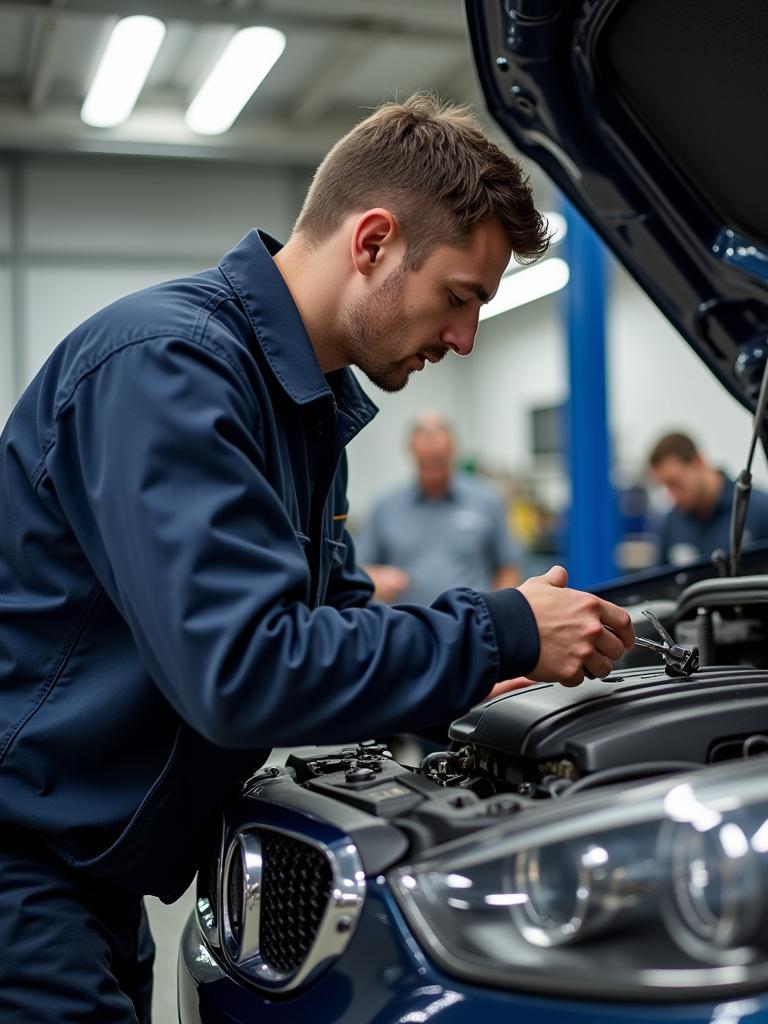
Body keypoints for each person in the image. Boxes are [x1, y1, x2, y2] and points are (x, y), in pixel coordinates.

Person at [0, 94, 634, 1023]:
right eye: (460, 297)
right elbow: (244, 670)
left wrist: (482, 676)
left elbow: (333, 622)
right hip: (25, 864)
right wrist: (497, 631)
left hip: (94, 866)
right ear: (373, 240)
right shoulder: (168, 369)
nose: (464, 339)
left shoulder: (299, 407)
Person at [359, 412, 521, 605]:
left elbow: (507, 567)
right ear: (411, 451)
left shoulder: (487, 500)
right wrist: (376, 578)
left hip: (473, 629)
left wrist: (498, 614)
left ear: (453, 450)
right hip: (406, 628)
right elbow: (361, 570)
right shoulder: (385, 507)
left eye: (438, 460)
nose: (432, 468)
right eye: (426, 461)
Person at [648, 431, 768, 565]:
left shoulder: (765, 510)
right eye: (665, 486)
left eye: (675, 483)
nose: (672, 495)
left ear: (698, 462)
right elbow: (660, 587)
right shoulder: (672, 523)